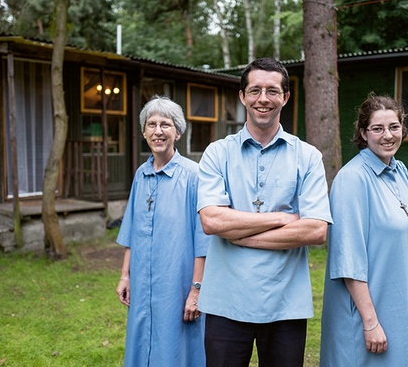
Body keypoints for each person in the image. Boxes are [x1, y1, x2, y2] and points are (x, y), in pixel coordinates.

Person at [196, 57, 333, 367]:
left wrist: (239, 233)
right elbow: (212, 220)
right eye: (255, 90)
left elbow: (316, 230)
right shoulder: (217, 153)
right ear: (242, 96)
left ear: (285, 97)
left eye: (272, 91)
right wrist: (282, 218)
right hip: (225, 303)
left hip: (285, 304)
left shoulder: (308, 157)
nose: (263, 99)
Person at [319, 94, 408, 366]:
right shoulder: (352, 179)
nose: (387, 136)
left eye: (394, 127)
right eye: (377, 128)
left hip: (400, 306)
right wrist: (370, 323)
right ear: (363, 133)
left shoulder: (400, 171)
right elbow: (348, 259)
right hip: (368, 313)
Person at [115, 96, 208, 366]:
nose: (158, 131)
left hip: (177, 285)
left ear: (177, 132)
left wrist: (196, 290)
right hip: (142, 283)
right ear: (144, 132)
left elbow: (204, 239)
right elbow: (131, 230)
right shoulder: (140, 175)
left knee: (176, 347)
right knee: (141, 341)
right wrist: (125, 276)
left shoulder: (194, 176)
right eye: (151, 124)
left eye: (165, 124)